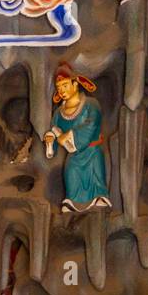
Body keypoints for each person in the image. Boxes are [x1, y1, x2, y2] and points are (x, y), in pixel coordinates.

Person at [44, 64, 109, 212]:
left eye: (65, 85)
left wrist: (71, 135)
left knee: (96, 171)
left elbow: (92, 123)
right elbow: (55, 132)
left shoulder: (91, 104)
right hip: (73, 155)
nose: (62, 90)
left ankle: (99, 195)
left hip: (92, 151)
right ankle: (72, 201)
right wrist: (50, 141)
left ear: (75, 84)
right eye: (59, 87)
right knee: (72, 174)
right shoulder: (58, 113)